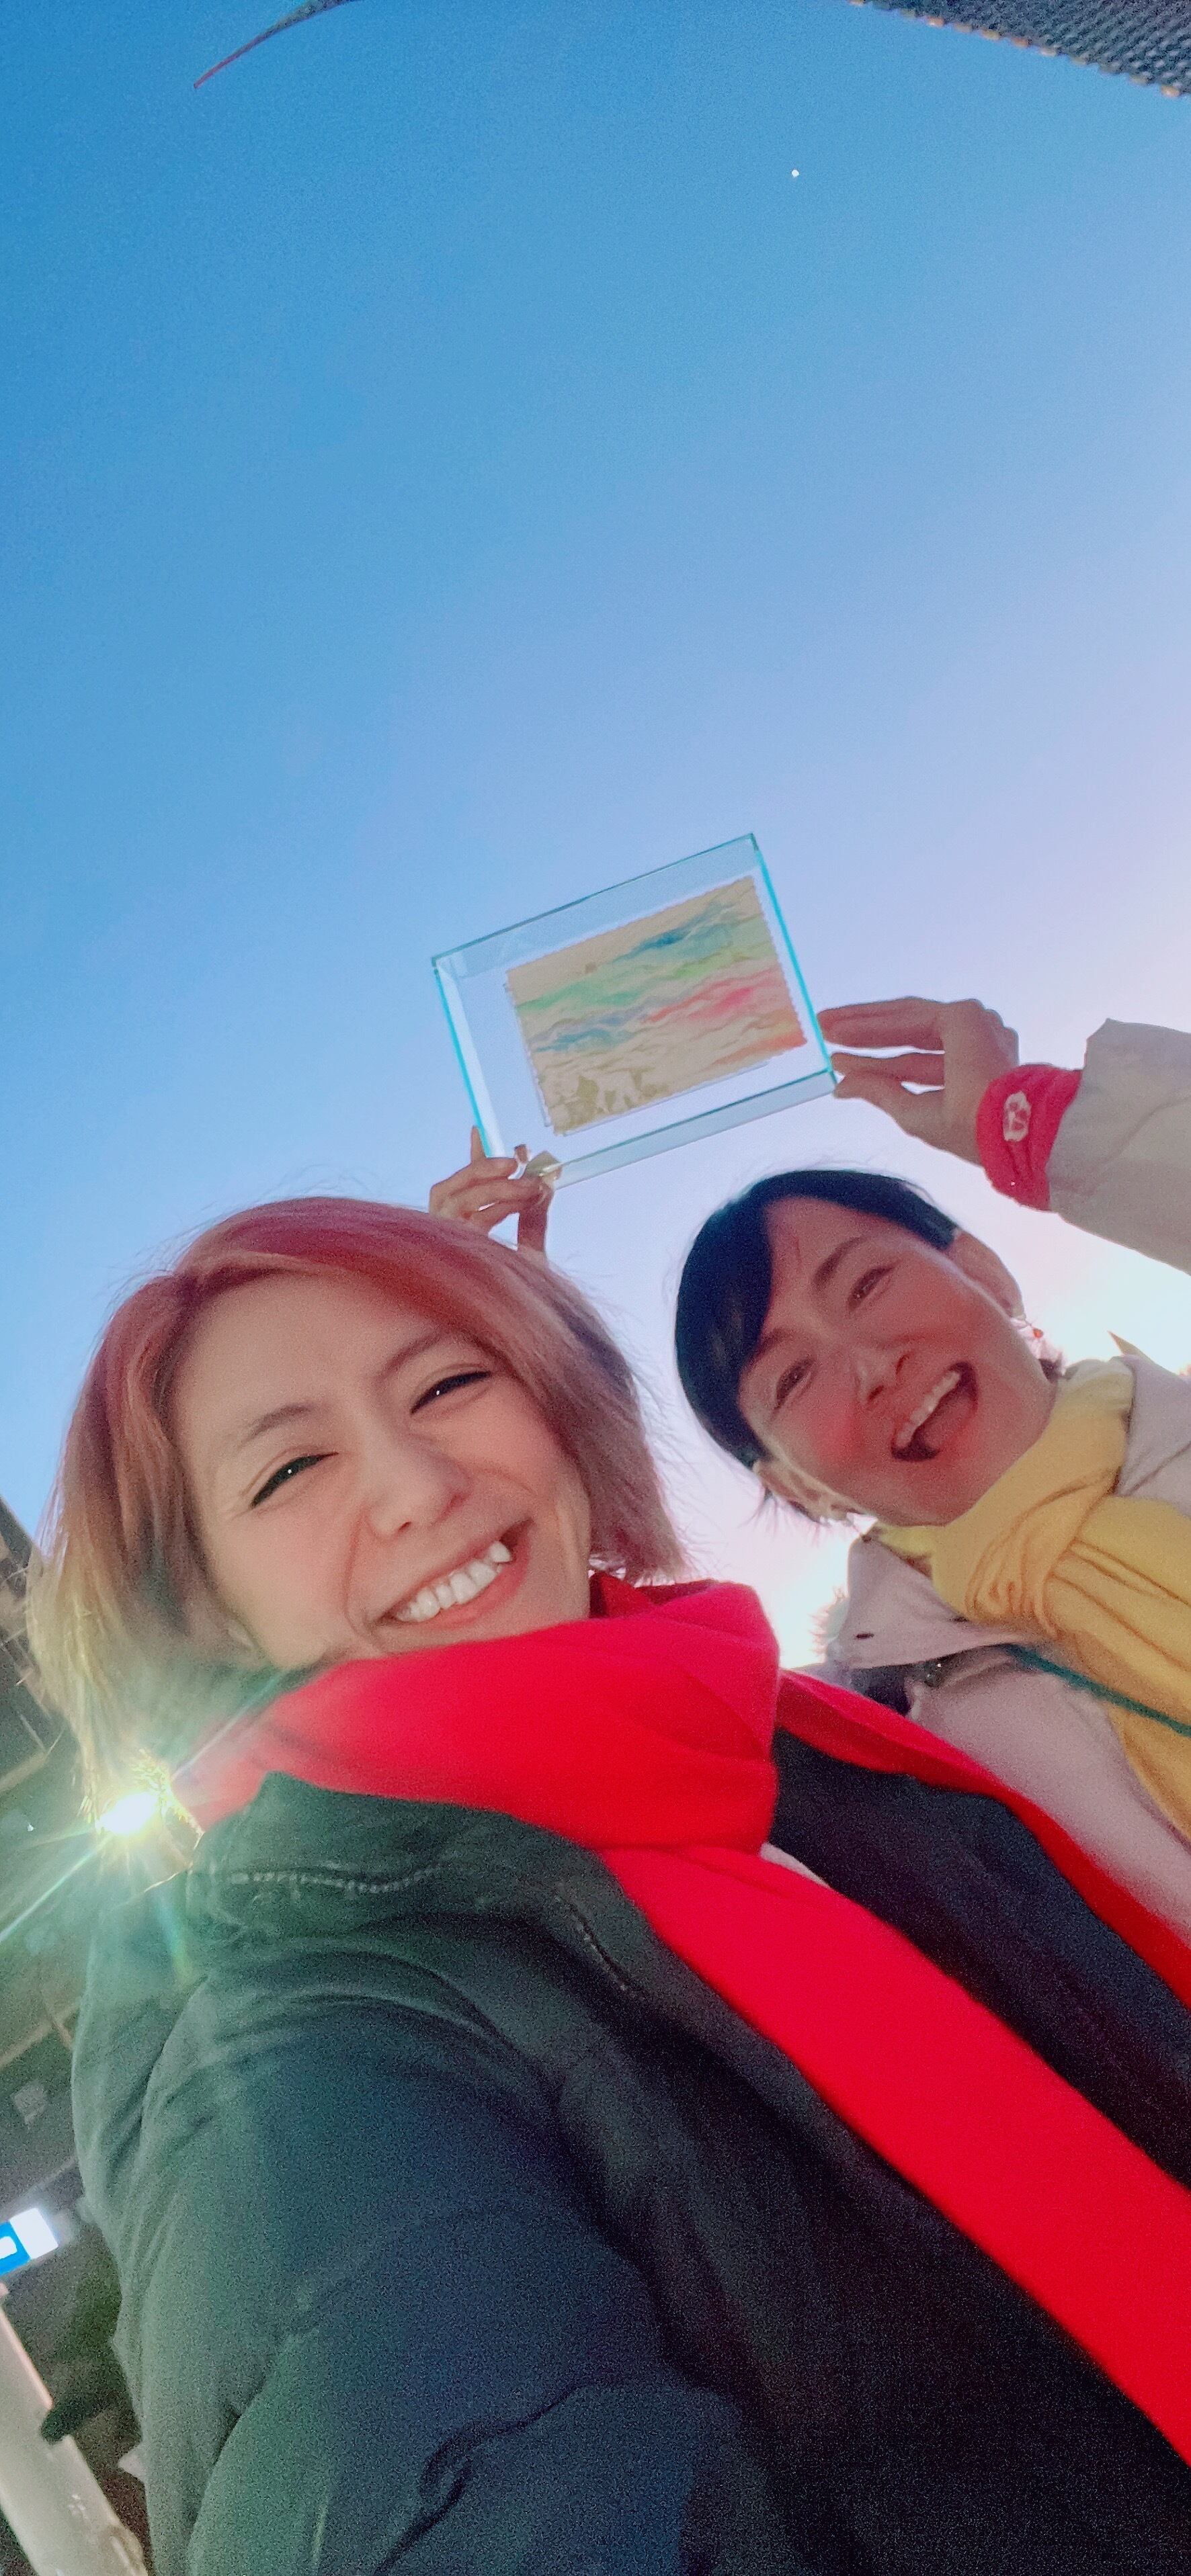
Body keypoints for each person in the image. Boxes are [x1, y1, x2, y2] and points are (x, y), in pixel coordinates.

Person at [30, 1194, 1191, 2574]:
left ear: (555, 1407)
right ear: (206, 1605)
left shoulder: (800, 1752)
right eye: (290, 1471)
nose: (417, 1485)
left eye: (450, 1386)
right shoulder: (295, 2054)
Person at [676, 998, 1191, 1931]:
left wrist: (1031, 1119)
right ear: (794, 1482)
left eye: (868, 1283)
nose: (871, 1366)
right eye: (794, 1377)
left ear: (984, 1272)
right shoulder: (880, 1747)